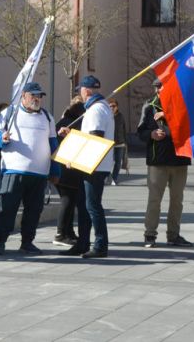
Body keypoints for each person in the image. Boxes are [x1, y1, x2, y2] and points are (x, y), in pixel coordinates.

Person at [0, 82, 59, 255]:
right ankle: (0, 242)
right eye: (33, 95)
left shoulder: (48, 117)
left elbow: (53, 145)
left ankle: (27, 242)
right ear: (23, 96)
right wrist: (2, 139)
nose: (37, 99)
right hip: (14, 171)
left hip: (39, 174)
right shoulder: (9, 113)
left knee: (34, 210)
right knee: (7, 208)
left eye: (39, 96)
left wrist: (56, 170)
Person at [59, 75, 113, 259]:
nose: (80, 94)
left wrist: (75, 159)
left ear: (86, 91)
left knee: (92, 206)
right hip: (93, 164)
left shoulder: (96, 110)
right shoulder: (99, 108)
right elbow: (91, 136)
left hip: (94, 166)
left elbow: (95, 139)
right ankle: (83, 243)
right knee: (84, 205)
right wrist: (72, 135)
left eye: (80, 90)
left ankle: (100, 245)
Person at [137, 78, 193, 248]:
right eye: (157, 88)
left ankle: (173, 235)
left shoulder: (183, 104)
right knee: (154, 199)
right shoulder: (149, 105)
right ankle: (150, 234)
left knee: (177, 200)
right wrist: (151, 134)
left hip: (179, 159)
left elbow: (187, 124)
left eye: (161, 87)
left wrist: (167, 114)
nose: (158, 91)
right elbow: (141, 131)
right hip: (157, 160)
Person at [53, 96, 85, 246]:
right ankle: (60, 234)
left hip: (64, 167)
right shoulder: (72, 124)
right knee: (67, 200)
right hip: (67, 167)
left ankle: (69, 231)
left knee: (70, 200)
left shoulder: (64, 121)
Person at [108, 99, 127, 185]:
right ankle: (108, 177)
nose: (112, 108)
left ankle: (114, 178)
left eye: (114, 106)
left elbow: (124, 129)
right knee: (107, 162)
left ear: (117, 107)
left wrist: (125, 142)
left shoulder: (121, 116)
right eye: (110, 106)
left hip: (120, 142)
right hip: (108, 143)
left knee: (118, 162)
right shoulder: (106, 116)